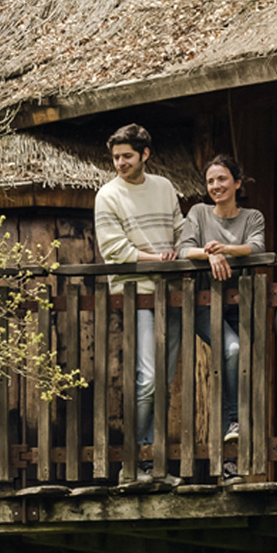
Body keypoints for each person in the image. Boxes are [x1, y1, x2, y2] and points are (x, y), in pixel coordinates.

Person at [93, 123, 184, 481]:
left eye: (127, 156)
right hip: (135, 293)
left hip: (171, 291)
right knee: (147, 378)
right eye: (116, 157)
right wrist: (157, 258)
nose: (120, 163)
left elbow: (180, 230)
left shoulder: (164, 187)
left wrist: (182, 251)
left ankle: (152, 465)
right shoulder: (107, 195)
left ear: (145, 154)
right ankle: (131, 463)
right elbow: (114, 250)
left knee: (164, 380)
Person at [176, 154, 266, 464]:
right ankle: (234, 422)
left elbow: (257, 247)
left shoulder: (252, 217)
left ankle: (233, 456)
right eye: (211, 181)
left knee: (240, 364)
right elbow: (182, 249)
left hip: (241, 305)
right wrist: (209, 255)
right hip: (205, 304)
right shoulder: (199, 213)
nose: (216, 185)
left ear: (237, 183)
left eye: (222, 179)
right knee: (232, 350)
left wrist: (225, 249)